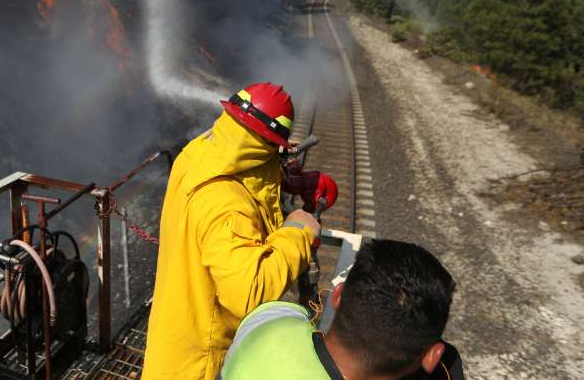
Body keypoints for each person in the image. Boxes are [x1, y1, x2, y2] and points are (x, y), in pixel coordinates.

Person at [143, 82, 320, 380]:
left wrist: (278, 177)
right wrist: (297, 233)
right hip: (202, 362)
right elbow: (250, 293)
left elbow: (246, 164)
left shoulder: (197, 153)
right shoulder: (228, 204)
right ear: (272, 143)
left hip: (174, 337)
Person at [219, 238, 463, 380]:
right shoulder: (440, 362)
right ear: (432, 357)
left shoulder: (268, 322)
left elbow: (294, 314)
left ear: (337, 295)